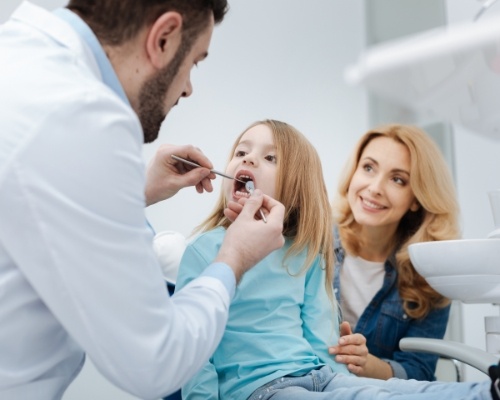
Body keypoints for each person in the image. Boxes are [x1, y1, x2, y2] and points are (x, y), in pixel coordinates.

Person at [0, 2, 285, 399]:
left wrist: (139, 188)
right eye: (195, 63)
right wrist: (233, 259)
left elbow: (31, 203)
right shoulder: (83, 118)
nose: (187, 87)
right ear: (163, 37)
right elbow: (155, 363)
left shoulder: (20, 59)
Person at [175, 120, 500, 400]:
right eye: (241, 152)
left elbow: (321, 340)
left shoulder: (304, 251)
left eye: (270, 157)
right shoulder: (204, 251)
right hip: (262, 390)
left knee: (387, 393)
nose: (249, 159)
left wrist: (347, 383)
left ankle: (487, 392)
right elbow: (192, 350)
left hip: (318, 375)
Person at [327, 124, 461, 381]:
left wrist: (368, 365)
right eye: (368, 168)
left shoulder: (430, 275)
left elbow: (419, 370)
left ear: (416, 199)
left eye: (397, 179)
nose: (375, 188)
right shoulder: (312, 244)